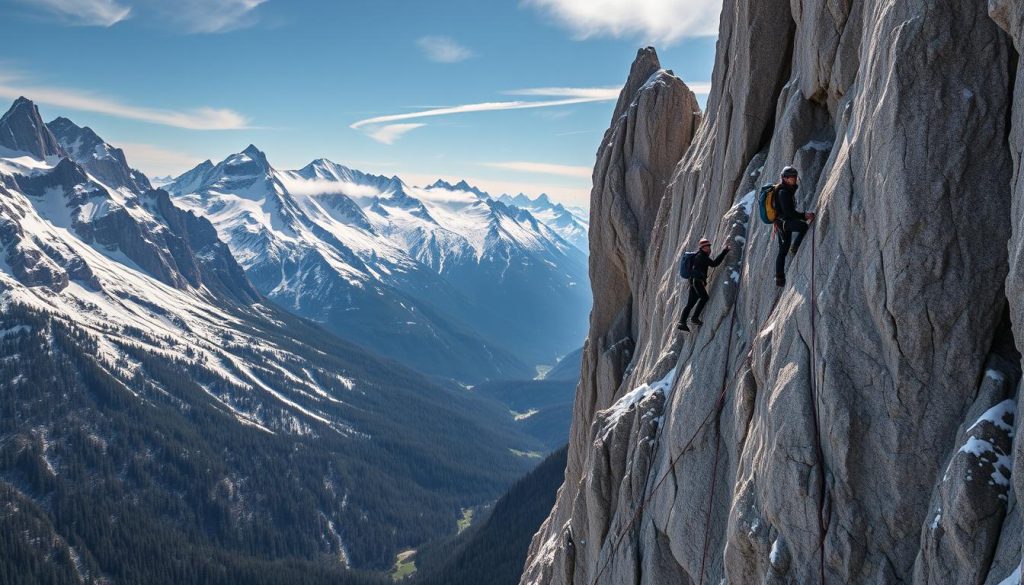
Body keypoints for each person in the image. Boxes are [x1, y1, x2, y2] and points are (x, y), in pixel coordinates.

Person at [677, 238, 730, 331]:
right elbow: (714, 264)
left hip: (693, 282)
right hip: (697, 282)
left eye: (709, 246)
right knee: (704, 298)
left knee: (690, 303)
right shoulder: (702, 256)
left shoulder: (699, 256)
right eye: (707, 247)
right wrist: (724, 252)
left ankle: (682, 322)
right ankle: (694, 318)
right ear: (702, 248)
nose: (709, 248)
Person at [774, 166, 815, 286]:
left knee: (783, 250)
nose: (795, 179)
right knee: (803, 227)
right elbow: (789, 212)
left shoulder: (787, 189)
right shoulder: (783, 192)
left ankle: (780, 279)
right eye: (792, 177)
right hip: (784, 223)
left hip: (782, 222)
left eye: (795, 177)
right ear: (785, 179)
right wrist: (804, 216)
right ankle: (795, 247)